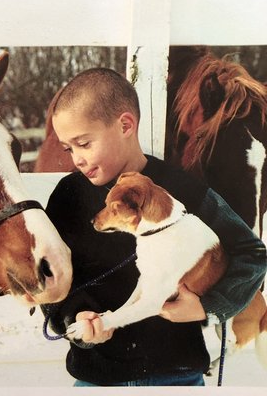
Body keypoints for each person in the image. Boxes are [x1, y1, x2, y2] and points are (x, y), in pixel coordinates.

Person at [40, 67, 267, 386]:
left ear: (125, 125)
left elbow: (252, 254)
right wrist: (74, 318)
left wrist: (208, 307)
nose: (76, 158)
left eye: (84, 143)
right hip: (98, 378)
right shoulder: (68, 196)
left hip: (176, 375)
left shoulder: (186, 190)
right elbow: (45, 273)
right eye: (69, 149)